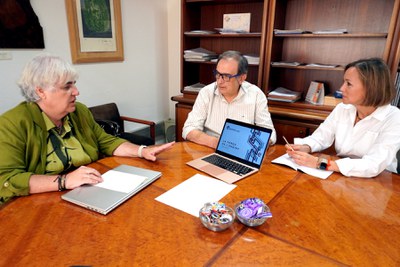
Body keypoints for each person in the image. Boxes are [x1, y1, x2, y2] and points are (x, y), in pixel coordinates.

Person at [0, 54, 174, 204]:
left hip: (88, 192)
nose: (76, 92)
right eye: (67, 87)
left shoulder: (79, 112)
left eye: (74, 84)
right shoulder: (12, 123)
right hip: (41, 204)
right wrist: (64, 181)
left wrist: (142, 151)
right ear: (41, 92)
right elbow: (6, 180)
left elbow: (106, 142)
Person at [286, 58, 400, 177]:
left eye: (349, 84)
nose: (341, 89)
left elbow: (373, 165)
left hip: (379, 182)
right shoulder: (343, 108)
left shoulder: (394, 118)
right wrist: (305, 147)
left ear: (371, 88)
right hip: (341, 175)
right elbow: (321, 137)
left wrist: (321, 163)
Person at [182, 50, 276, 148]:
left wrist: (250, 145)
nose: (220, 81)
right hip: (209, 148)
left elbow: (270, 133)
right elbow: (188, 129)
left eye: (226, 76)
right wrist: (218, 143)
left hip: (242, 150)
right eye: (218, 74)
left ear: (242, 78)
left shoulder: (256, 95)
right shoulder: (206, 92)